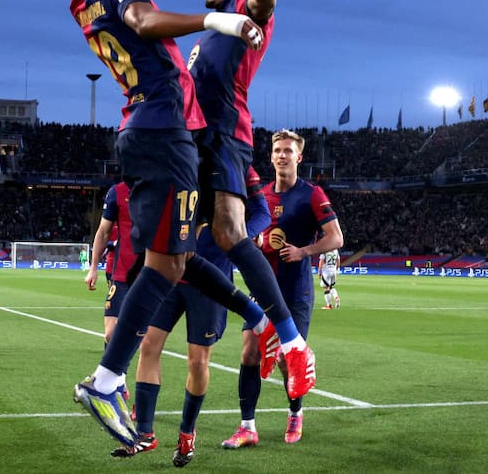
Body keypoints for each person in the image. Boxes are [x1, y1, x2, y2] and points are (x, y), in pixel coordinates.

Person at [65, 0, 288, 450]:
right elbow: (143, 20)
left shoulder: (81, 1)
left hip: (136, 130)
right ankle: (105, 380)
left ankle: (255, 316)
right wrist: (219, 20)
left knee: (176, 259)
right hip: (166, 131)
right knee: (167, 265)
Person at [189, 0, 316, 385]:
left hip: (225, 135)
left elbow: (269, 1)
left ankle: (292, 342)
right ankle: (260, 320)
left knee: (230, 233)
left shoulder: (245, 8)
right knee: (177, 252)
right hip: (195, 143)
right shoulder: (206, 32)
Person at [120, 168, 270, 467]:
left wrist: (235, 238)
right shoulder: (179, 156)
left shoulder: (235, 164)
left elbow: (262, 214)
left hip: (211, 279)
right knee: (148, 345)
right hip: (170, 272)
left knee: (198, 361)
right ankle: (145, 432)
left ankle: (187, 434)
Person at [222, 129, 343, 449]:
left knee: (289, 361)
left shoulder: (312, 194)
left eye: (288, 151)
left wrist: (303, 251)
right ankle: (247, 426)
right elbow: (247, 234)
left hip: (296, 291)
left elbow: (336, 237)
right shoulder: (260, 196)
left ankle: (295, 413)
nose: (281, 155)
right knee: (248, 351)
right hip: (263, 288)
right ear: (271, 156)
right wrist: (256, 240)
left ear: (299, 157)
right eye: (277, 150)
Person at [84, 181, 137, 345]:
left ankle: (116, 369)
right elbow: (103, 232)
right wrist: (93, 268)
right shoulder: (118, 191)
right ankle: (113, 368)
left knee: (148, 339)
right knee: (111, 333)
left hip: (151, 273)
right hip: (122, 273)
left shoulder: (161, 187)